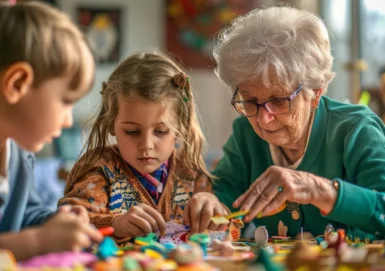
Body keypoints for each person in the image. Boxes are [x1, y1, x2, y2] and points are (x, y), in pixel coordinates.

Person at [212, 6, 385, 241]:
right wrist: (209, 203)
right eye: (250, 100)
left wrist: (318, 190)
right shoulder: (246, 133)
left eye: (279, 100)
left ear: (316, 92)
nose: (263, 118)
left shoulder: (356, 129)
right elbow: (225, 196)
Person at [59, 52, 229, 241]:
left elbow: (223, 236)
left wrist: (215, 212)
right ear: (110, 124)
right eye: (132, 132)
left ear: (181, 127)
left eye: (161, 131)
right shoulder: (99, 169)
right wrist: (115, 224)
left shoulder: (192, 174)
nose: (146, 145)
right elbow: (66, 225)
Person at [0, 2, 102, 261]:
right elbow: (30, 236)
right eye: (66, 101)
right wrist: (37, 241)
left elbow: (26, 216)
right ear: (17, 84)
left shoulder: (19, 155)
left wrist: (60, 221)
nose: (69, 121)